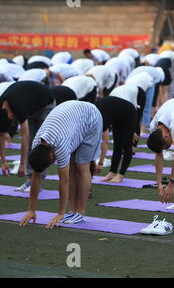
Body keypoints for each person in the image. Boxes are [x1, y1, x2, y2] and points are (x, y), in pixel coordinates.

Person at [19, 100, 103, 228]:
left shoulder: (60, 146)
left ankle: (80, 212)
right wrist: (31, 210)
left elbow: (64, 181)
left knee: (81, 167)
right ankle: (73, 211)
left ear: (52, 155)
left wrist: (60, 213)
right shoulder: (37, 144)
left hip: (90, 118)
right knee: (72, 167)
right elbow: (36, 177)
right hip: (73, 119)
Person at [0, 81, 55, 191]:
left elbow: (25, 136)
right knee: (31, 144)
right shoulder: (2, 105)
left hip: (46, 104)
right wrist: (4, 162)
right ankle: (31, 180)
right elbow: (1, 135)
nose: (12, 118)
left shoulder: (18, 107)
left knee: (41, 144)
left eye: (11, 117)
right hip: (32, 106)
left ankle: (38, 181)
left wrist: (22, 164)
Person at [95, 95, 139, 183]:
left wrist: (100, 163)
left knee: (126, 146)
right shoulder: (94, 115)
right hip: (116, 114)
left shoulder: (102, 119)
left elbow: (105, 142)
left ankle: (121, 174)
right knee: (117, 145)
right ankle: (112, 172)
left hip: (128, 112)